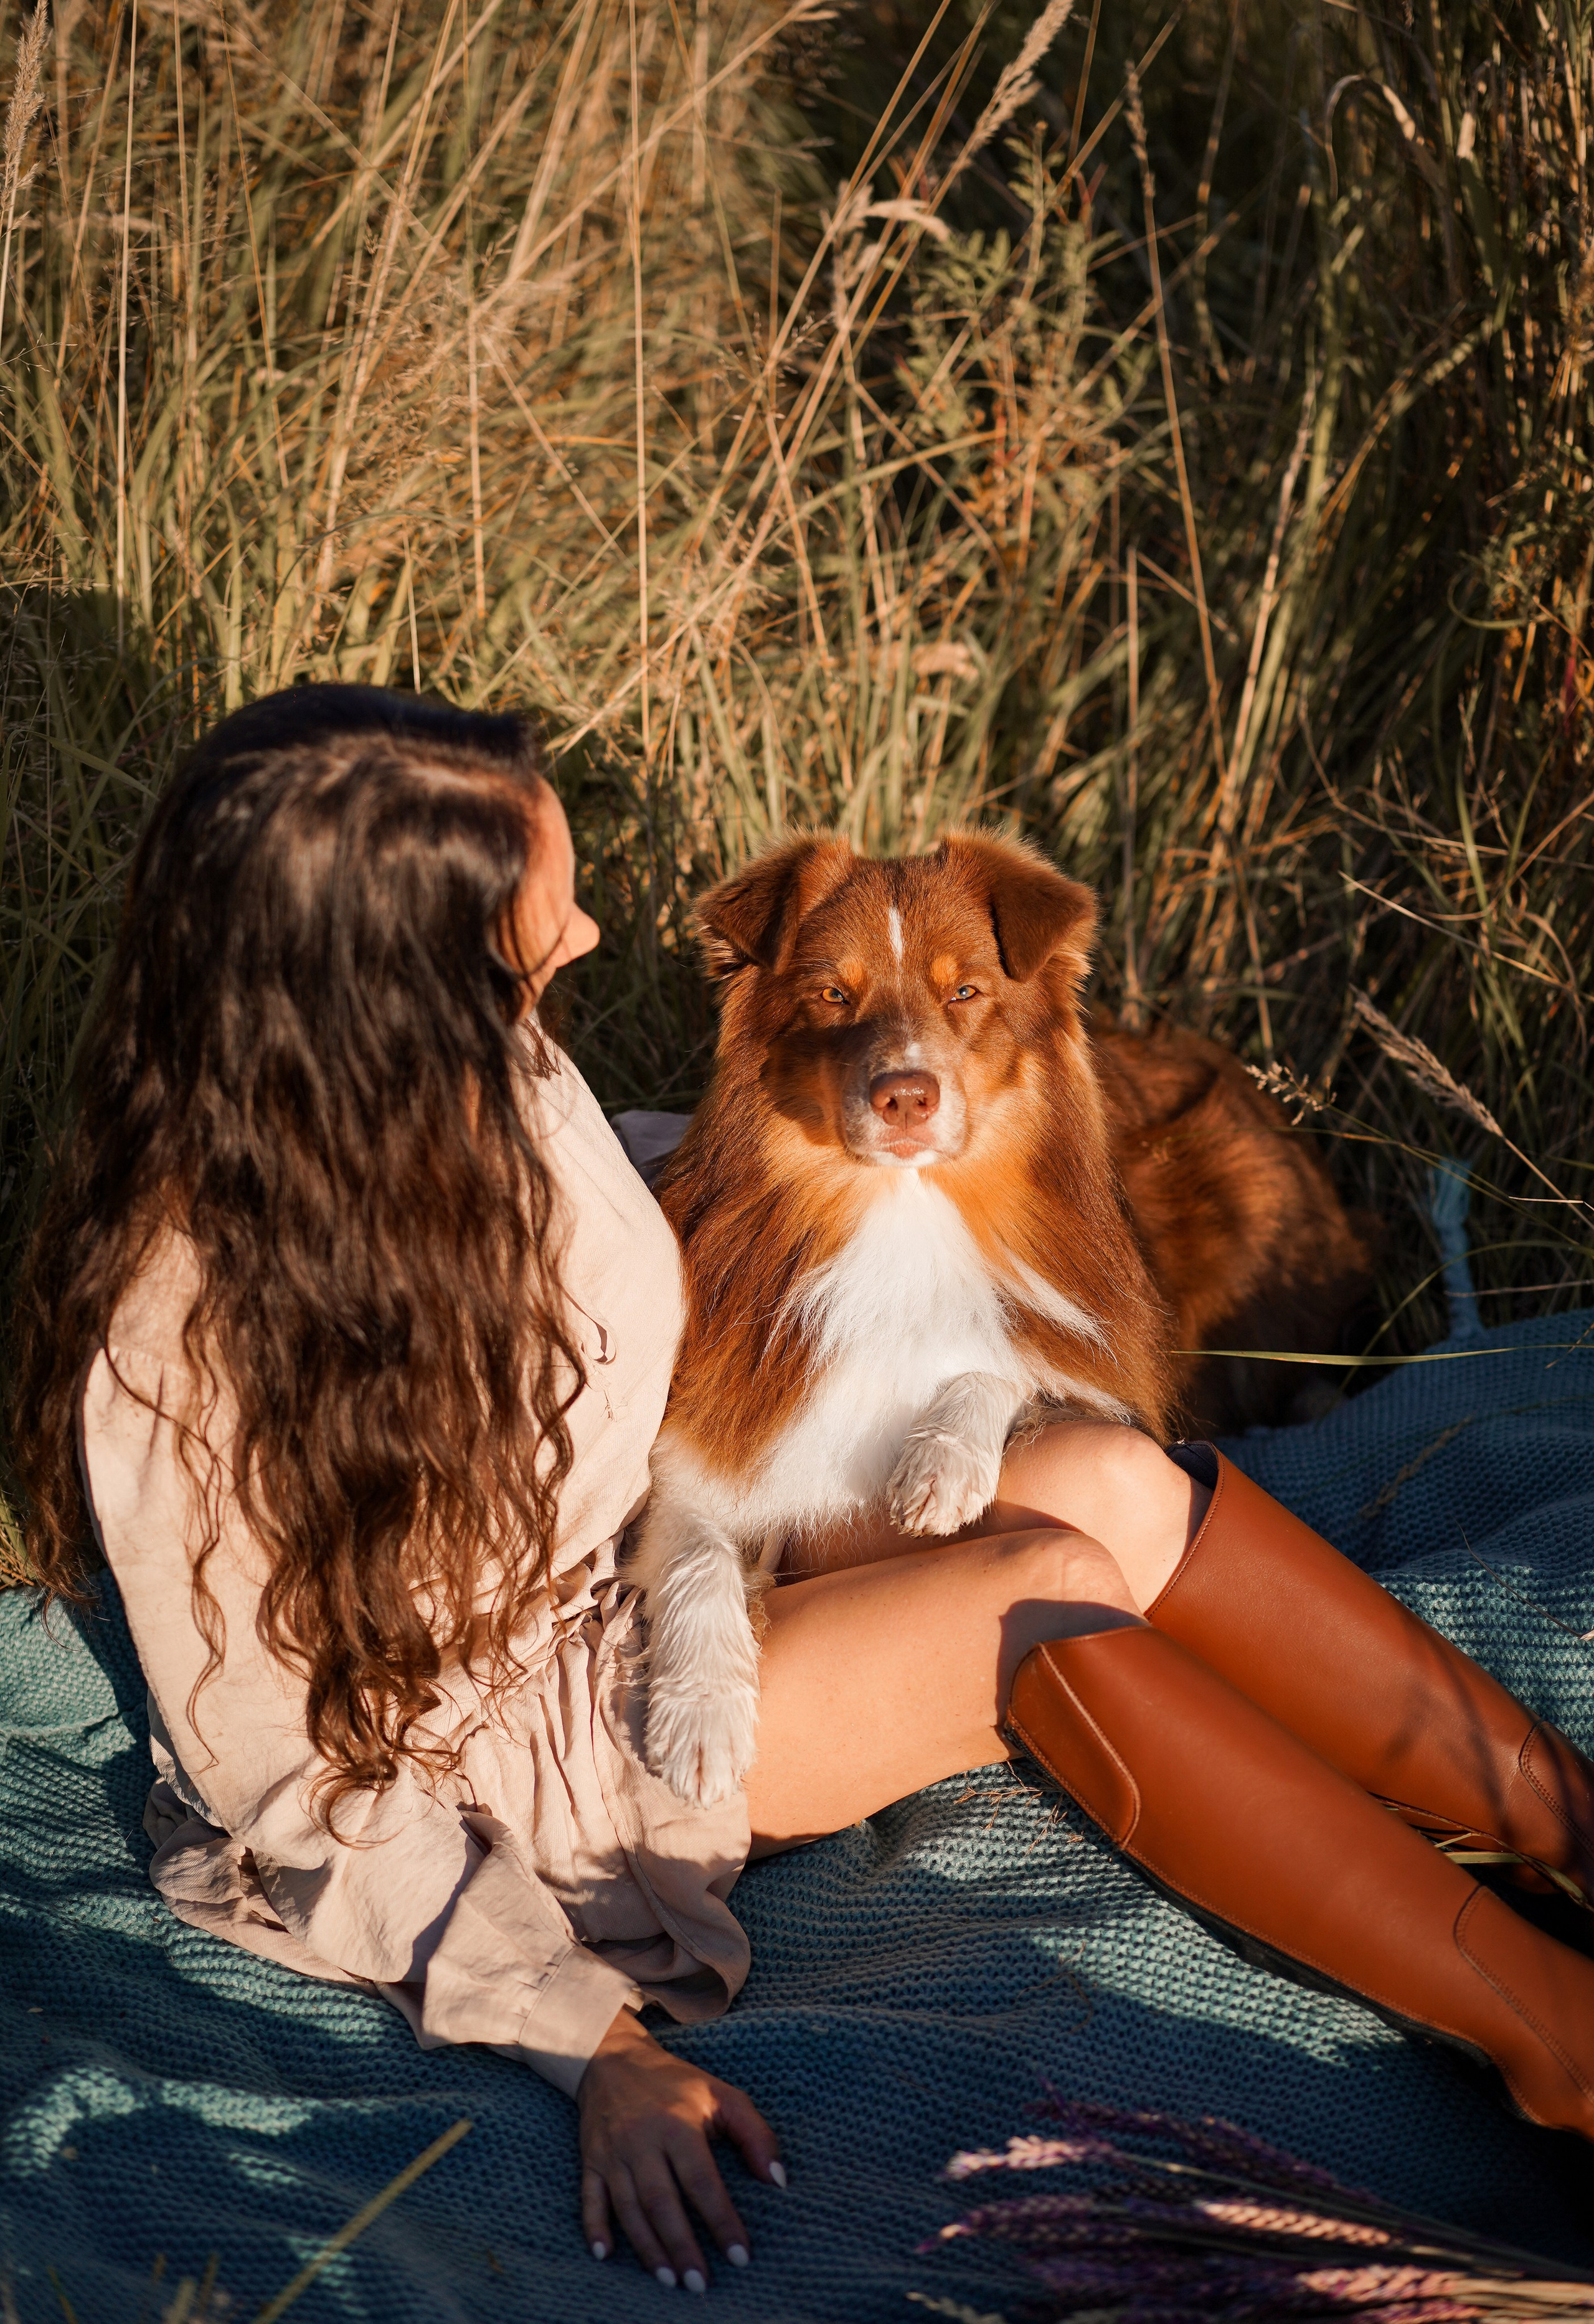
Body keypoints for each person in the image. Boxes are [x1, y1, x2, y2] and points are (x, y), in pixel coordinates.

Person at [12, 686, 1594, 2297]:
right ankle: (1559, 2041)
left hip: (684, 1525)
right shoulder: (175, 1341)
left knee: (1112, 1476)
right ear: (395, 961)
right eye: (544, 907)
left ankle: (1580, 1844)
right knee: (1035, 1593)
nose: (593, 926)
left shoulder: (490, 1064)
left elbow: (628, 1228)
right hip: (557, 1745)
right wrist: (592, 2038)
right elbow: (295, 1785)